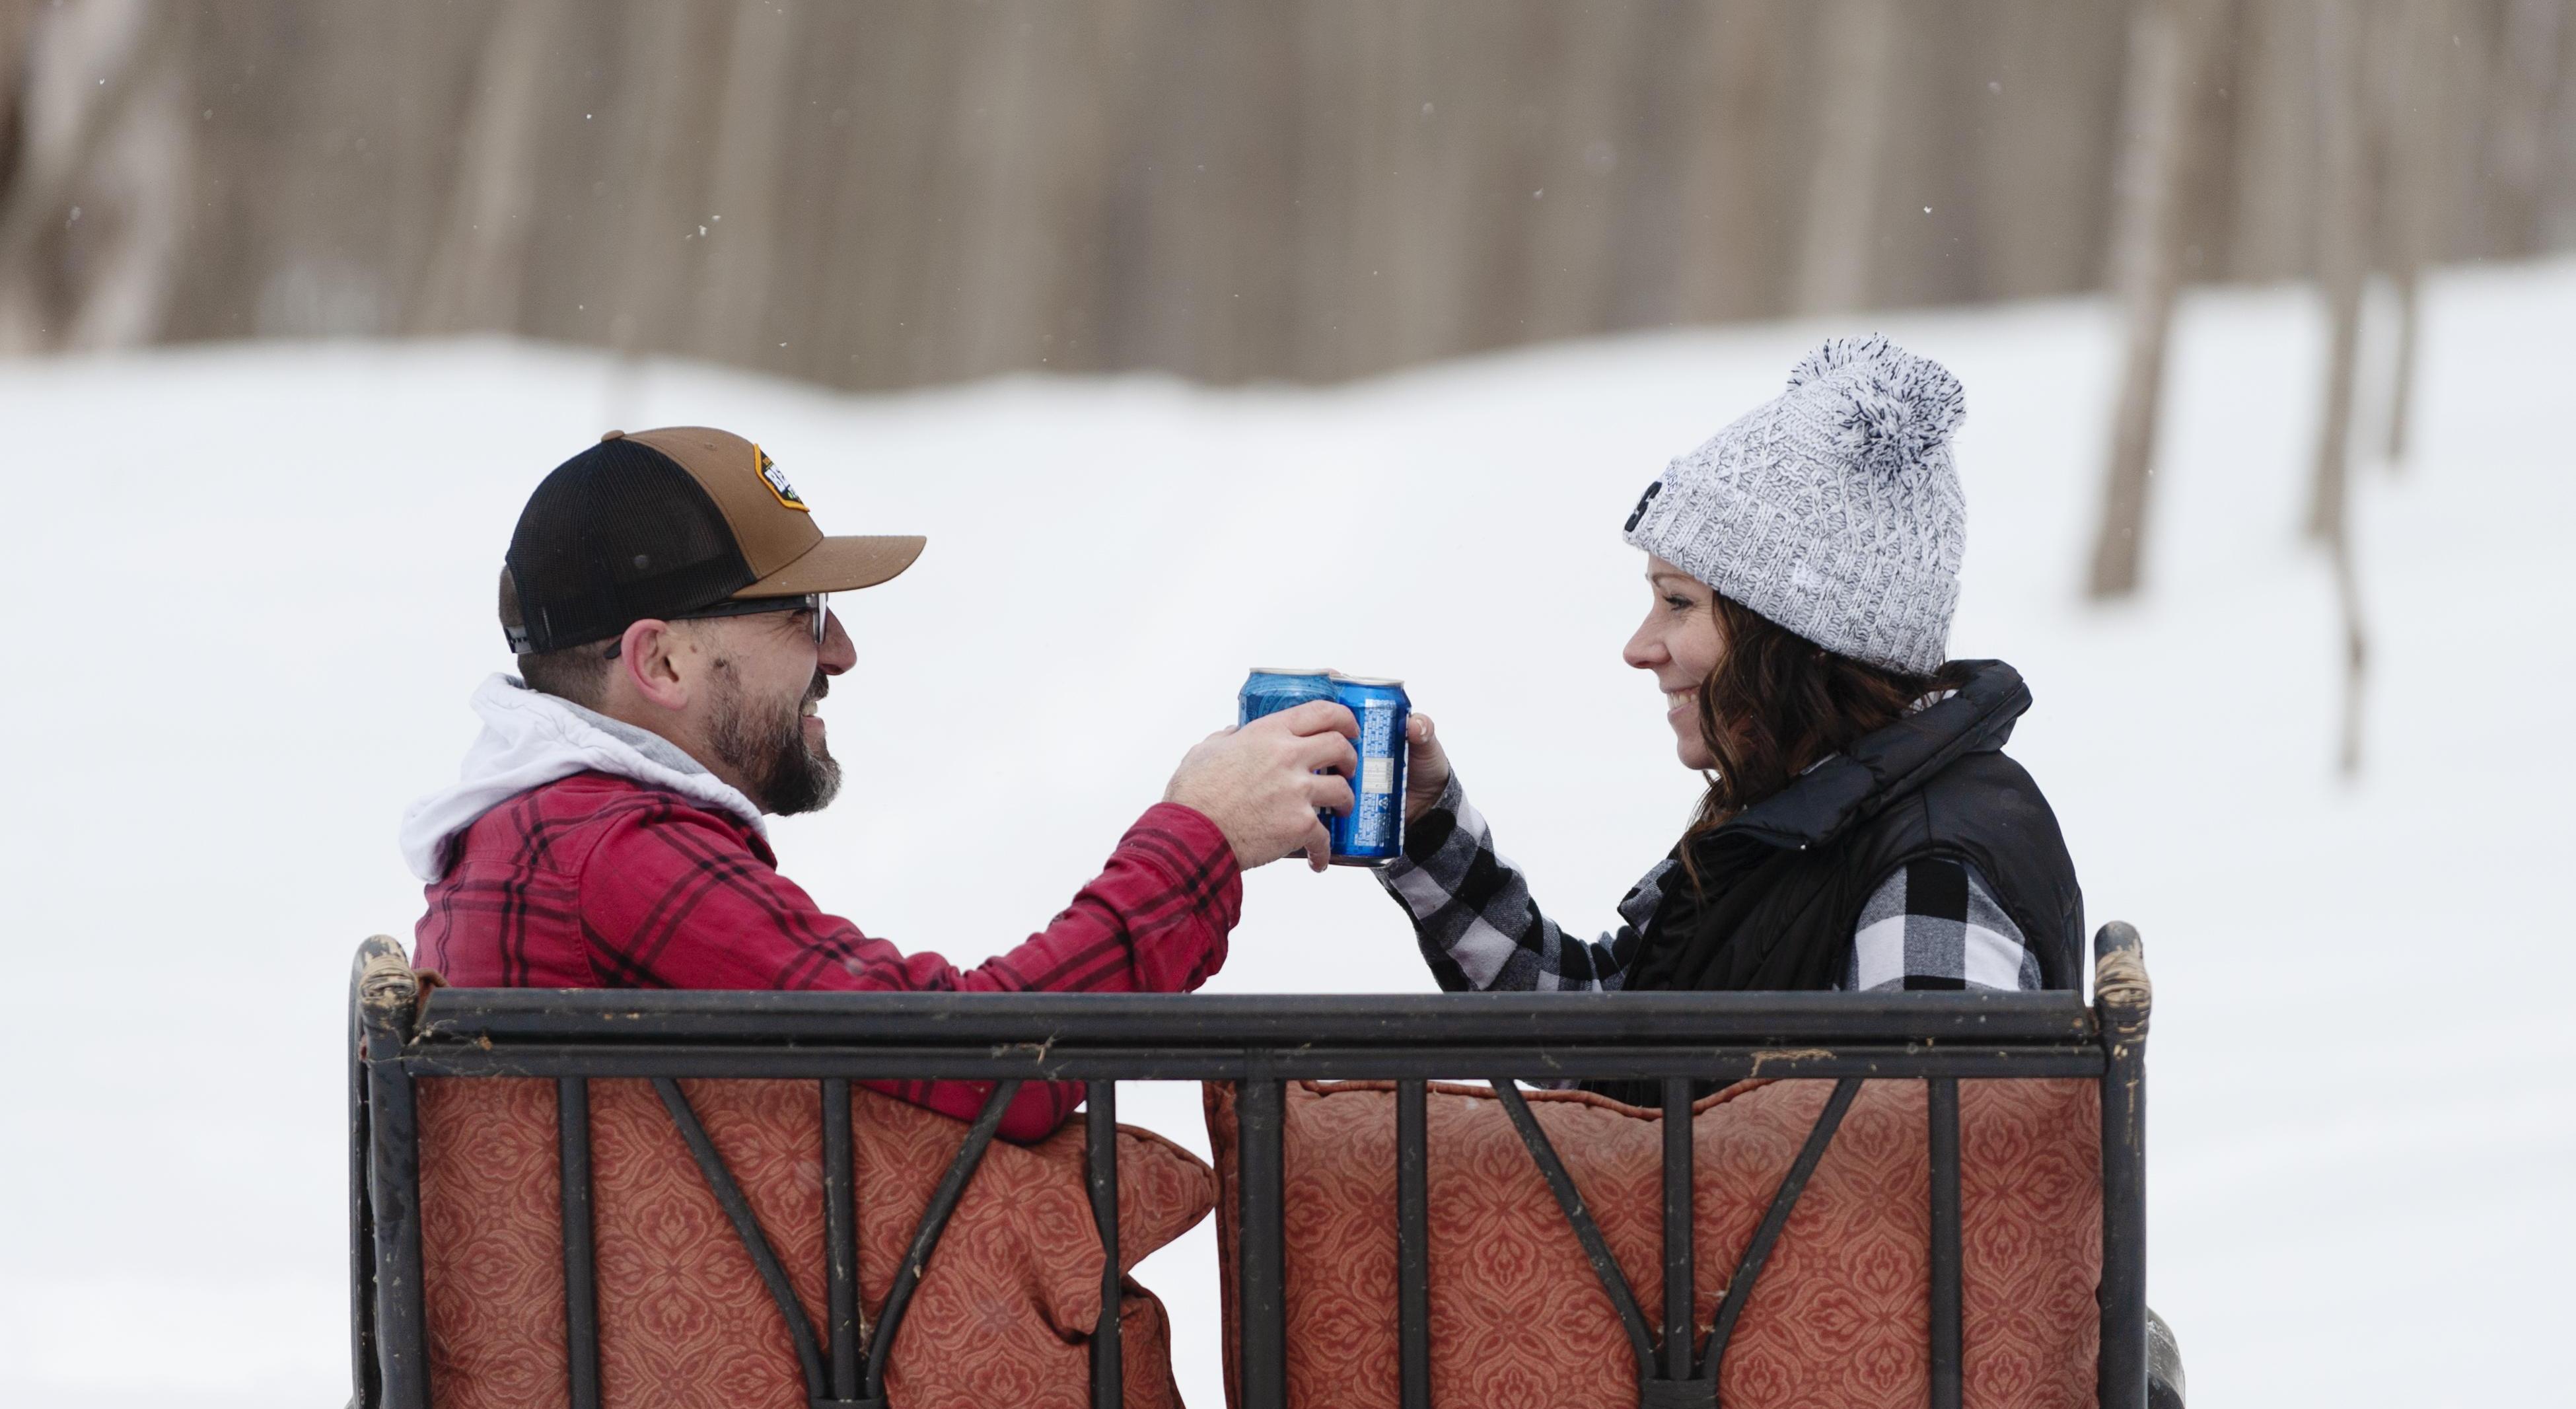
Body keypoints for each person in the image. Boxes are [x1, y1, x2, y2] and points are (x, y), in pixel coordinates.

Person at [400, 426, 1357, 1141]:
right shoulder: (614, 853)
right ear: (663, 661)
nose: (842, 653)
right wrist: (1201, 835)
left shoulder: (553, 832)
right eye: (804, 615)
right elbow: (990, 1067)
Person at [1377, 337, 2083, 1100]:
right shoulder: (1802, 821)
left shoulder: (1928, 868)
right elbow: (1605, 1030)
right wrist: (1426, 824)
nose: (1640, 648)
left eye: (1679, 602)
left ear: (1802, 634)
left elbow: (1930, 1156)